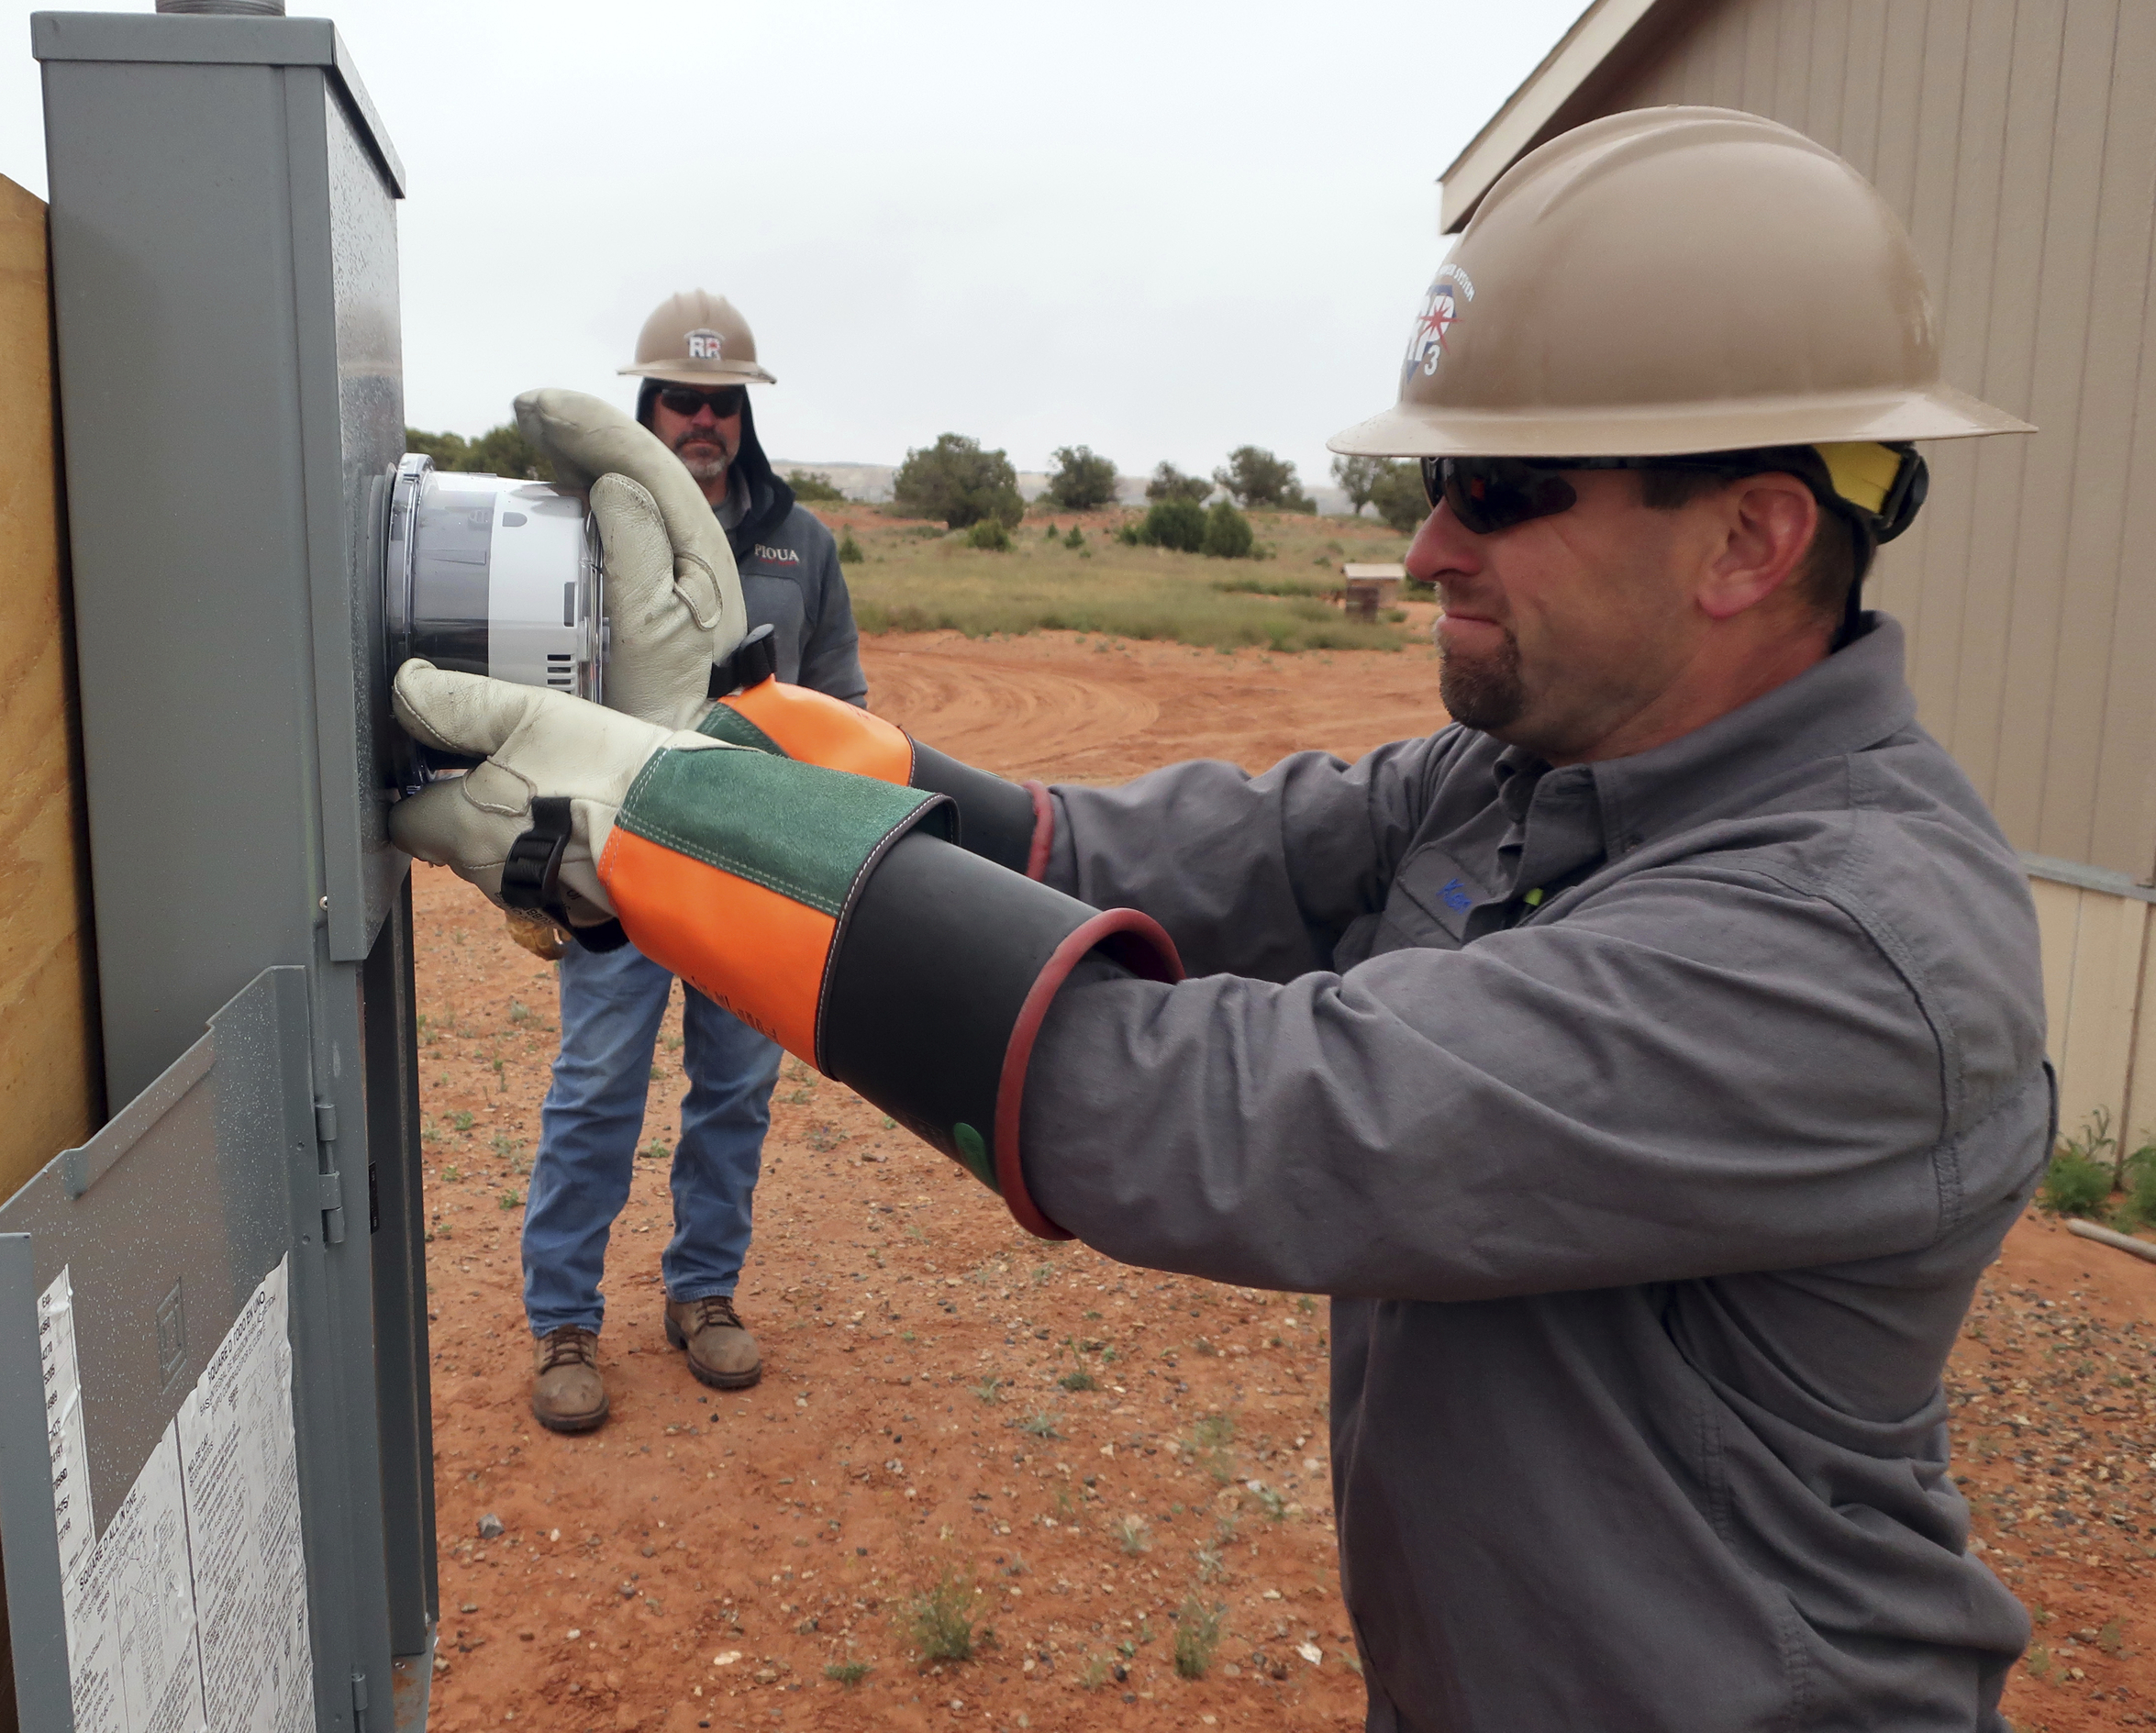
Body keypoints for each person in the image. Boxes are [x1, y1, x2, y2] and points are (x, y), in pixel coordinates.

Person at [397, 110, 2048, 1728]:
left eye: (1499, 487)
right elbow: (1113, 848)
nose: (1425, 547)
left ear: (1750, 536)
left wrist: (685, 836)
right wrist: (742, 740)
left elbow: (1229, 1109)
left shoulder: (1850, 947)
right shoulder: (1531, 772)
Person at [512, 290, 866, 1436]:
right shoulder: (578, 528)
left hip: (752, 868)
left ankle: (703, 1292)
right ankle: (564, 1317)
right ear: (647, 405)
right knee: (597, 1086)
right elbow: (540, 701)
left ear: (742, 413)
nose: (701, 421)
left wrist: (833, 845)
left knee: (738, 1090)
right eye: (681, 398)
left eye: (722, 402)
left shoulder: (798, 544)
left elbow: (840, 708)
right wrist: (535, 857)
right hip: (618, 862)